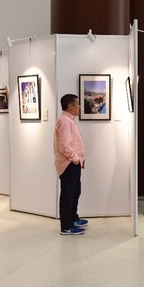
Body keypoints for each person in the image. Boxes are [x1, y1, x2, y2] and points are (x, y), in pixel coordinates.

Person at [54, 94, 88, 235]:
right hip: (68, 164)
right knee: (68, 195)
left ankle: (73, 218)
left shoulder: (68, 120)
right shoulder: (65, 121)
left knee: (75, 192)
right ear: (70, 106)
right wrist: (75, 158)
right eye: (77, 104)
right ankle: (66, 227)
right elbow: (64, 145)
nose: (79, 107)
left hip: (73, 163)